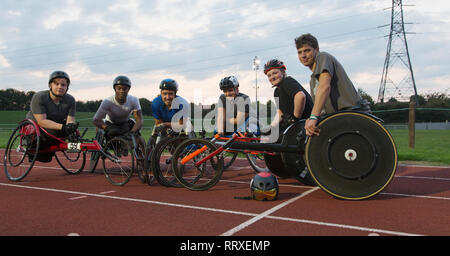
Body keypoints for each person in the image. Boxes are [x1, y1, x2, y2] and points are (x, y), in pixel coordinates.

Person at [295, 33, 370, 137]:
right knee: (303, 135)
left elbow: (325, 87)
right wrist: (310, 120)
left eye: (307, 50)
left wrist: (313, 117)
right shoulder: (312, 80)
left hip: (352, 112)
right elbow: (320, 107)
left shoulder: (323, 57)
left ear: (316, 49)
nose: (303, 55)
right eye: (299, 52)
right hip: (335, 117)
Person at [26, 70, 78, 162]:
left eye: (63, 85)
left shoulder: (70, 100)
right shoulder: (39, 97)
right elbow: (42, 121)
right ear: (50, 85)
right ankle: (32, 147)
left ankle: (56, 148)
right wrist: (63, 127)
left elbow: (70, 120)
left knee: (73, 134)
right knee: (52, 134)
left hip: (55, 126)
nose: (60, 87)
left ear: (67, 87)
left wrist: (70, 129)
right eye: (56, 84)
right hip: (36, 127)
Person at [263, 59, 313, 139]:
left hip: (306, 122)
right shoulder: (277, 91)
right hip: (294, 123)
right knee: (268, 136)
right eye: (269, 75)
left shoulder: (287, 82)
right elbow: (280, 113)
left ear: (283, 72)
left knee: (276, 140)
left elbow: (300, 96)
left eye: (275, 73)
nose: (272, 77)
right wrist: (271, 127)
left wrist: (295, 118)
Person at [93, 75, 143, 140]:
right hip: (110, 123)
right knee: (105, 133)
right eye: (119, 88)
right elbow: (96, 120)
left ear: (128, 89)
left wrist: (132, 132)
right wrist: (106, 128)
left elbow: (139, 119)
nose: (122, 91)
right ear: (115, 89)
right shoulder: (107, 101)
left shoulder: (134, 100)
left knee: (131, 136)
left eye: (124, 88)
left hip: (125, 123)